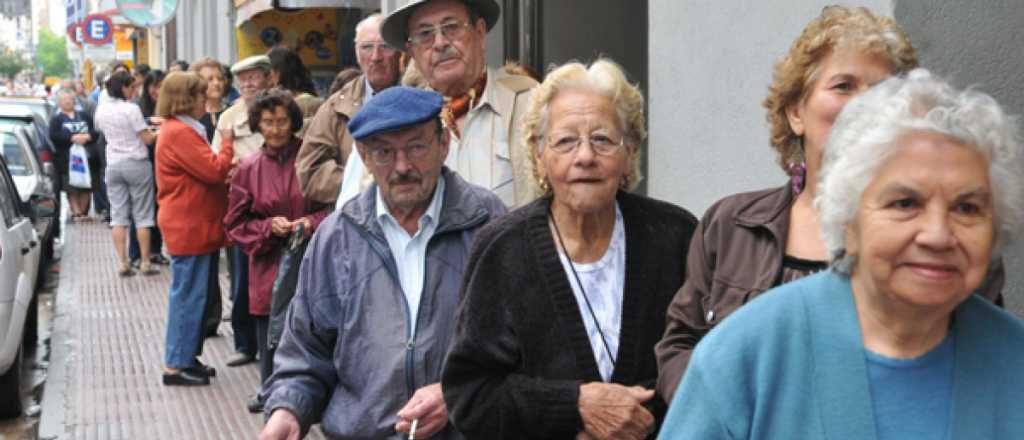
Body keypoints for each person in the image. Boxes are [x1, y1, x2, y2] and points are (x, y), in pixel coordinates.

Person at [659, 68, 1024, 439]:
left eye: (967, 208)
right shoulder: (746, 356)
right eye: (904, 203)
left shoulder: (1015, 362)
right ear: (848, 219)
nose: (938, 235)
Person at [440, 60, 697, 440]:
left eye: (603, 139)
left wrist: (639, 417)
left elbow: (705, 365)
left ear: (629, 152)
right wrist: (574, 406)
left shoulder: (675, 236)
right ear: (540, 155)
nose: (585, 157)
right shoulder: (503, 250)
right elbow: (471, 395)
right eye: (565, 141)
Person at [258, 87, 506, 440]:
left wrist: (457, 393)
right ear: (363, 156)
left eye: (416, 147)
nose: (402, 166)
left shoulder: (489, 224)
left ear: (444, 144)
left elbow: (522, 349)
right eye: (384, 152)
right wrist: (288, 410)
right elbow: (305, 353)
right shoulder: (336, 238)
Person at [224, 90, 331, 413]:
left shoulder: (309, 158)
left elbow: (332, 206)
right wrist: (268, 227)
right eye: (268, 122)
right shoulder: (249, 168)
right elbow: (234, 223)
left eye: (282, 121)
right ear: (258, 124)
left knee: (316, 328)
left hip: (313, 259)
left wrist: (310, 223)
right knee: (271, 331)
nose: (275, 129)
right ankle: (271, 389)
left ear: (294, 122)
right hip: (268, 262)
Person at [380, 0, 540, 207]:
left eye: (451, 27)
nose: (440, 43)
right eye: (425, 34)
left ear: (480, 33)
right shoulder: (394, 121)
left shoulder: (530, 104)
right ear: (413, 52)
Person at [154, 72, 236, 386]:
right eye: (201, 95)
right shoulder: (179, 132)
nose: (207, 99)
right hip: (188, 224)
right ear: (186, 99)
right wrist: (227, 144)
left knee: (195, 294)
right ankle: (176, 364)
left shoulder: (181, 129)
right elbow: (214, 170)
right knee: (188, 295)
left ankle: (187, 356)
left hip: (193, 223)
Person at [296, 13, 401, 206]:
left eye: (385, 46)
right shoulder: (337, 106)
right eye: (367, 47)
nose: (376, 57)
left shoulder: (422, 95)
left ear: (401, 49)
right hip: (357, 221)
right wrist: (362, 183)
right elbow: (309, 171)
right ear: (356, 52)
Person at [212, 55, 275, 368]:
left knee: (278, 275)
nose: (249, 84)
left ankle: (275, 343)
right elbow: (216, 159)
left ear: (267, 78)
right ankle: (245, 343)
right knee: (241, 277)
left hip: (278, 200)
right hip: (243, 203)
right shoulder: (228, 118)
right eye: (243, 79)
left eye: (254, 77)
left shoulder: (280, 108)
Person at [92, 71, 160, 277]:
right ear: (123, 88)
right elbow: (147, 139)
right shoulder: (131, 109)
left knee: (118, 217)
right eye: (132, 87)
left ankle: (123, 263)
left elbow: (101, 131)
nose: (135, 91)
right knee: (143, 215)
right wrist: (161, 132)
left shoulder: (101, 110)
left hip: (113, 165)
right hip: (136, 164)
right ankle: (146, 262)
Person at [128, 69, 169, 268]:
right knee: (141, 209)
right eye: (153, 85)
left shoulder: (169, 108)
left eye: (161, 86)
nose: (156, 90)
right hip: (144, 162)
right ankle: (136, 253)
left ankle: (156, 250)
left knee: (160, 208)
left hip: (164, 162)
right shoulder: (138, 108)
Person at [48, 88, 97, 220]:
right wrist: (72, 138)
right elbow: (53, 135)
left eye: (69, 99)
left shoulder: (85, 116)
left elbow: (95, 131)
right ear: (59, 102)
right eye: (64, 100)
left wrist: (87, 137)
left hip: (87, 157)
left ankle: (84, 212)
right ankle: (76, 212)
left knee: (87, 185)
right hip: (67, 159)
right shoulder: (56, 119)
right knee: (71, 187)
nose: (67, 102)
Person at [266, 46, 322, 129]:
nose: (266, 77)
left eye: (268, 72)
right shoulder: (312, 101)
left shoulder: (304, 103)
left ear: (278, 73)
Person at [190, 58, 229, 143]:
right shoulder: (190, 118)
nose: (216, 83)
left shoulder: (232, 112)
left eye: (220, 78)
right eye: (210, 79)